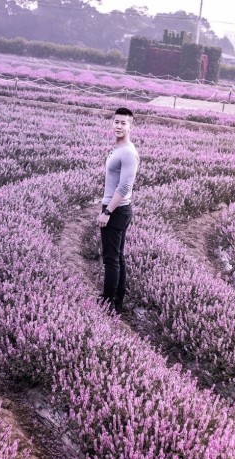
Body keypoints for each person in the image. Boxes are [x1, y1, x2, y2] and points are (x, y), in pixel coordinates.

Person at [97, 107, 139, 314]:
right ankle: (117, 299)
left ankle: (108, 301)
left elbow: (124, 187)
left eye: (123, 123)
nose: (119, 126)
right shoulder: (119, 149)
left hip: (117, 210)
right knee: (118, 257)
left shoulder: (129, 153)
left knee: (111, 258)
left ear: (131, 126)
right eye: (116, 122)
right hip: (118, 208)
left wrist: (107, 212)